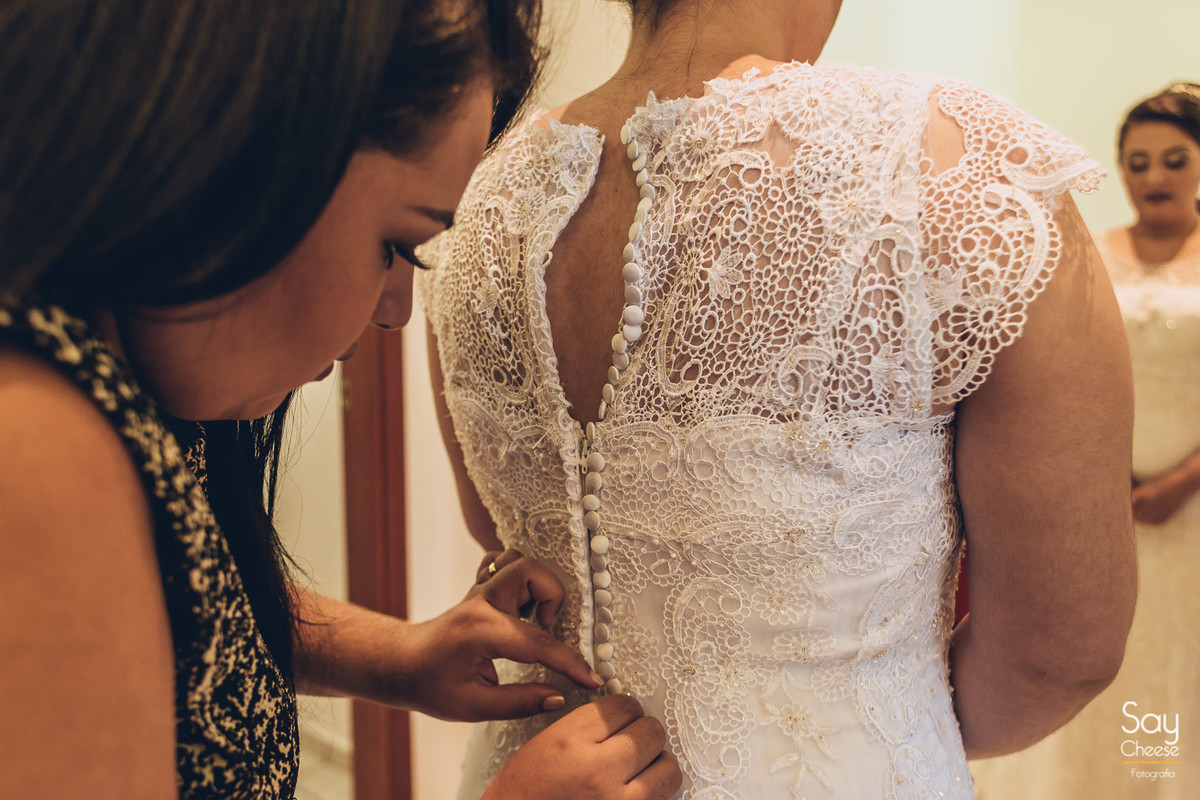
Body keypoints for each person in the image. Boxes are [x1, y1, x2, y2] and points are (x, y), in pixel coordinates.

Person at [417, 0, 1139, 796]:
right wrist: (860, 719)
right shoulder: (974, 179)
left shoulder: (475, 197)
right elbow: (1060, 652)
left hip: (544, 771)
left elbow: (501, 535)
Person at [0, 1, 682, 798]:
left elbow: (171, 608)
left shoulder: (123, 394)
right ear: (236, 151)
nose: (395, 310)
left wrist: (391, 655)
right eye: (396, 244)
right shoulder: (35, 447)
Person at [970, 82, 1200, 800]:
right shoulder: (1088, 255)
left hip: (1191, 510)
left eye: (1173, 159)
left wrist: (1181, 481)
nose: (1153, 177)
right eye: (1136, 162)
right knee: (1101, 653)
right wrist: (1096, 472)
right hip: (1104, 506)